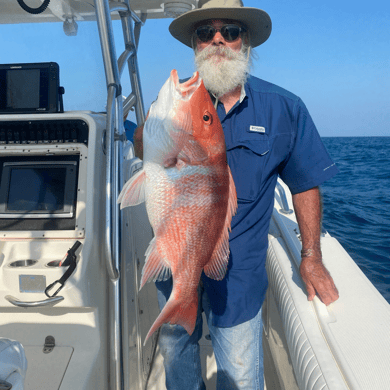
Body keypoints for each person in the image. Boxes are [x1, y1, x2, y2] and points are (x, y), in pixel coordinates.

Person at [132, 0, 340, 389]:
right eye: (204, 32)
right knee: (177, 354)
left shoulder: (284, 108)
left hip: (239, 272)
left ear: (246, 43)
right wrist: (154, 127)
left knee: (241, 375)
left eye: (230, 32)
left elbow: (305, 182)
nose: (217, 40)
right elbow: (145, 152)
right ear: (194, 45)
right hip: (178, 257)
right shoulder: (177, 104)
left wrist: (311, 256)